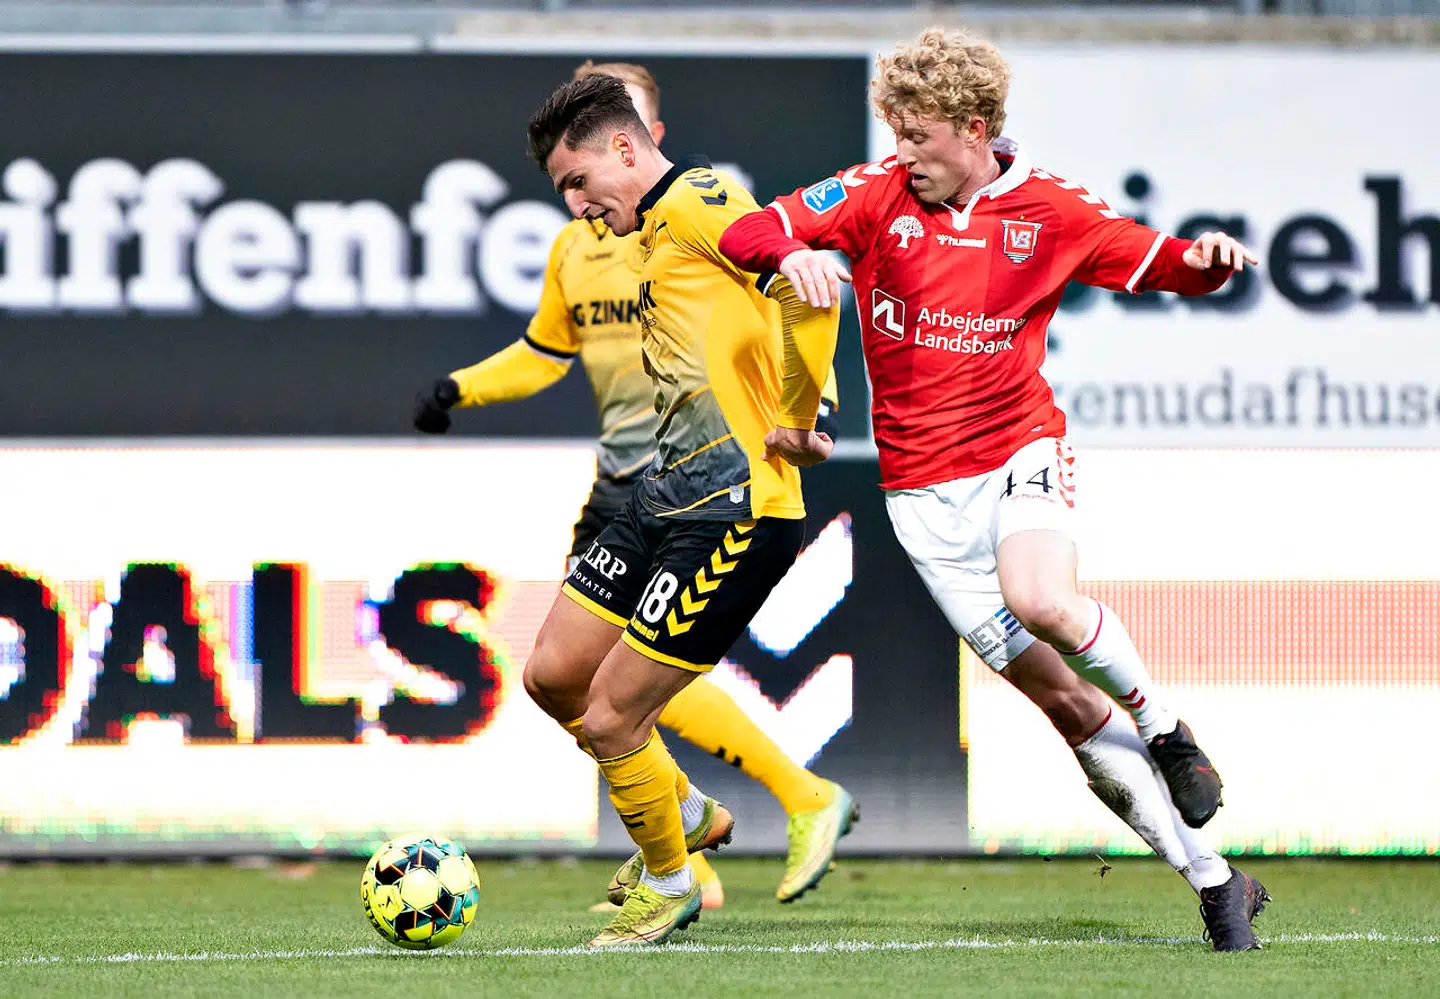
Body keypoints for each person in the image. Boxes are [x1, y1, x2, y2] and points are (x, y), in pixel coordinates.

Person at [718, 26, 1270, 951]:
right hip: (920, 497)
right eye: (895, 133)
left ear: (974, 129)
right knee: (1068, 706)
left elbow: (1164, 262)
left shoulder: (1051, 209)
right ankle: (1217, 882)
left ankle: (1168, 728)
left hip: (1019, 448)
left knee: (1040, 597)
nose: (903, 152)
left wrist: (1206, 261)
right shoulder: (873, 193)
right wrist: (787, 255)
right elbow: (749, 227)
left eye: (918, 135)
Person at [413, 61, 848, 916]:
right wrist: (459, 390)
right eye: (563, 190)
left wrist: (805, 408)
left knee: (618, 705)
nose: (574, 203)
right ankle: (686, 814)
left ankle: (678, 874)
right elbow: (546, 352)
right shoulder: (620, 238)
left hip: (731, 503)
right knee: (555, 677)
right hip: (649, 489)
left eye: (577, 182)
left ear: (628, 143)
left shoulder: (697, 200)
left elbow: (794, 278)